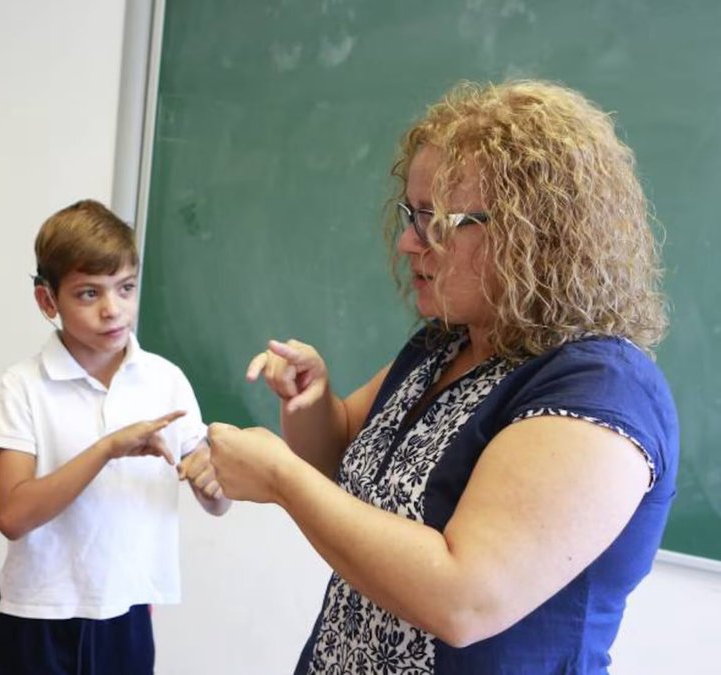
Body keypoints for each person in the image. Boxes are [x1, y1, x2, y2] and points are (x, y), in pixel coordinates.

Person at [207, 80, 678, 674]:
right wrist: (313, 402)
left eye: (436, 221)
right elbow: (341, 461)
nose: (408, 241)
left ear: (531, 233)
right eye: (411, 214)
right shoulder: (451, 340)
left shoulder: (601, 391)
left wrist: (278, 479)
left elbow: (465, 599)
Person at [0, 199, 230, 675]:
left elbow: (217, 501)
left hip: (126, 613)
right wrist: (108, 448)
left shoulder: (164, 380)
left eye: (125, 288)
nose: (113, 309)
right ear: (48, 301)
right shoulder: (23, 385)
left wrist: (212, 480)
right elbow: (12, 514)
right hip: (37, 613)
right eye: (89, 294)